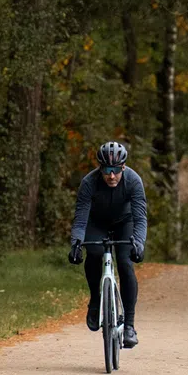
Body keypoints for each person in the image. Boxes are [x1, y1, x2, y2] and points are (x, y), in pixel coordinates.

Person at [68, 140, 147, 348]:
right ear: (100, 168)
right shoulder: (89, 182)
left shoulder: (133, 181)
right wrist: (76, 244)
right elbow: (81, 219)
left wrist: (138, 244)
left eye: (116, 170)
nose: (111, 176)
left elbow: (140, 218)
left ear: (123, 167)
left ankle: (129, 326)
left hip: (125, 223)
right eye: (106, 170)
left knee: (125, 262)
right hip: (97, 223)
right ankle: (95, 300)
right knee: (93, 252)